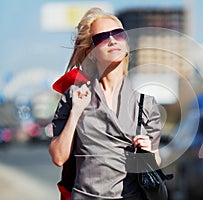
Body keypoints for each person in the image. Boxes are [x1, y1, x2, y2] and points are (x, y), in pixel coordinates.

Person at [49, 7, 162, 200]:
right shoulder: (74, 96)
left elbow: (156, 160)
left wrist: (149, 152)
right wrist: (76, 112)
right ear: (91, 52)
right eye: (102, 37)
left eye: (118, 34)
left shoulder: (146, 104)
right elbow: (58, 157)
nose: (112, 40)